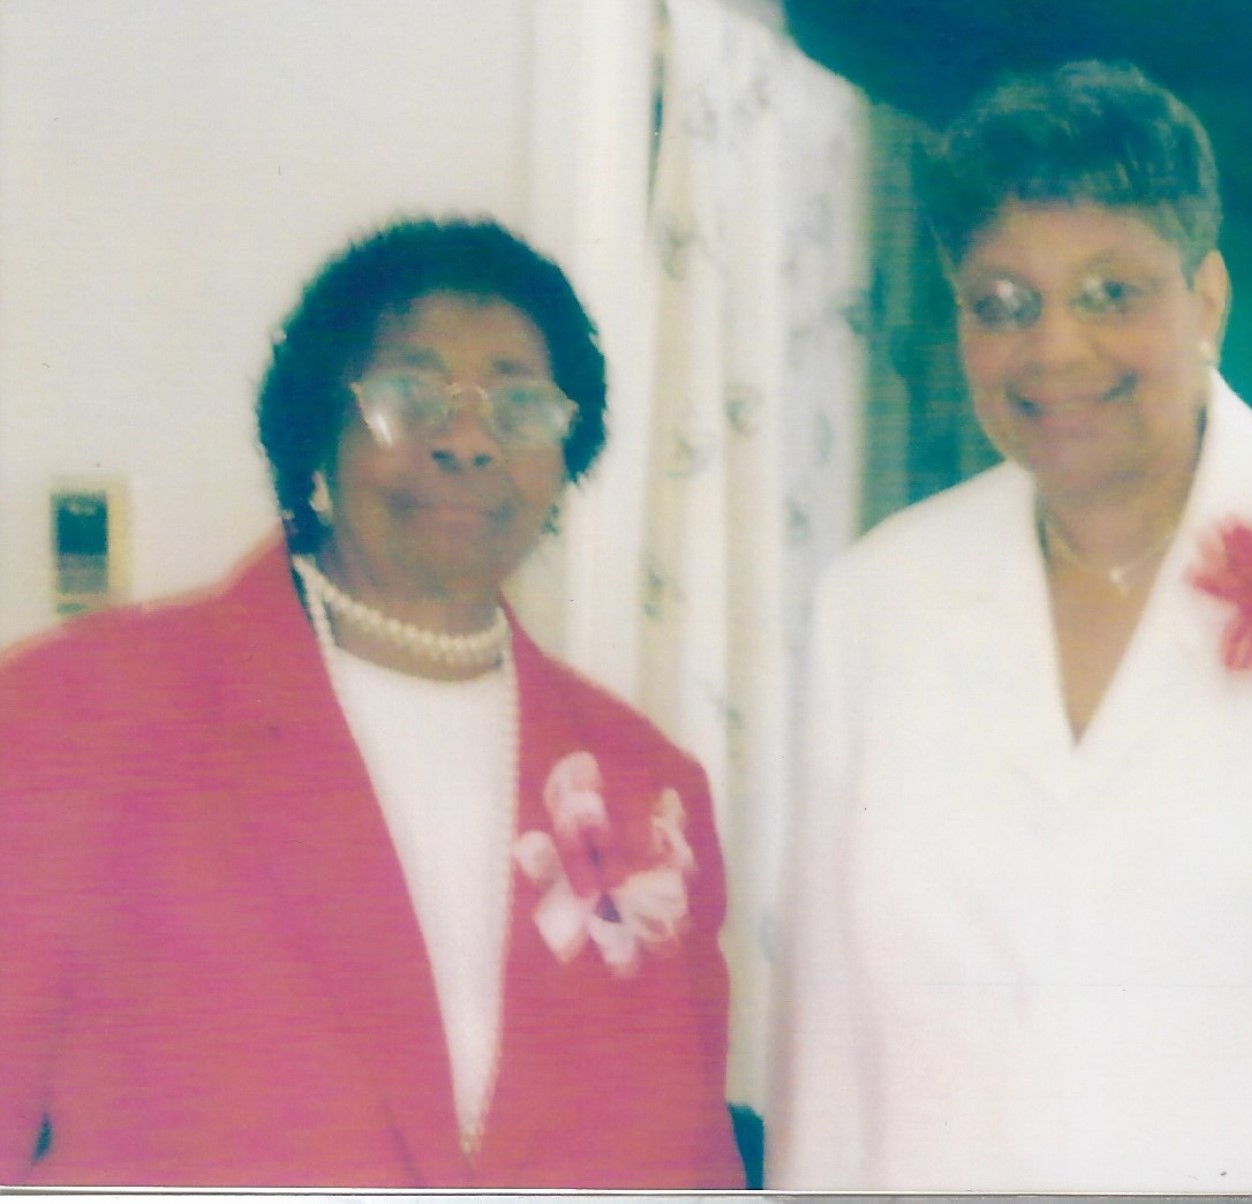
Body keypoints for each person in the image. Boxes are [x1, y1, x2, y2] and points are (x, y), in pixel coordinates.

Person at [769, 61, 1252, 1192]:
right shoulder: (876, 600)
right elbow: (828, 1047)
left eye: (1111, 292)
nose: (1055, 348)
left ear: (1207, 300)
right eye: (1002, 303)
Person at [0, 218, 743, 1188]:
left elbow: (689, 1160)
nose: (468, 440)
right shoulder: (80, 714)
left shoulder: (649, 785)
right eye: (407, 395)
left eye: (521, 406)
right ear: (321, 430)